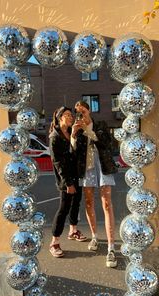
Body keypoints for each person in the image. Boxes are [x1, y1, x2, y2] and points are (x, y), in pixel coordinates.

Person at [71, 101, 118, 268]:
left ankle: (111, 247)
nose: (81, 115)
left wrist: (89, 130)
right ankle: (94, 236)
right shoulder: (77, 130)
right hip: (87, 168)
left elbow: (108, 144)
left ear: (88, 110)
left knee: (106, 204)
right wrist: (73, 136)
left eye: (83, 111)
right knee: (89, 202)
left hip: (102, 165)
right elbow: (74, 154)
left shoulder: (101, 124)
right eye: (78, 113)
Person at [49, 106, 87, 258]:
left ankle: (73, 231)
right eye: (67, 115)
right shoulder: (55, 137)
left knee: (76, 204)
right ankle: (54, 242)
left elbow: (76, 152)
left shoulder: (72, 132)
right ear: (59, 118)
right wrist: (68, 183)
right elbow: (57, 162)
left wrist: (76, 134)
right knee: (63, 209)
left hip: (76, 175)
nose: (71, 117)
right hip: (66, 179)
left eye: (71, 115)